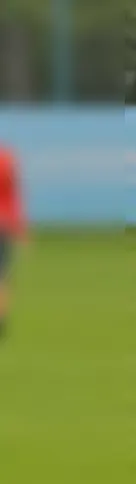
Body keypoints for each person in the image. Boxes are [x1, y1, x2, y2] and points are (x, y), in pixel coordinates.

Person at [0, 141, 24, 342]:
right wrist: (20, 228)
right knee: (3, 278)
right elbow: (14, 197)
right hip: (4, 225)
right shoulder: (7, 159)